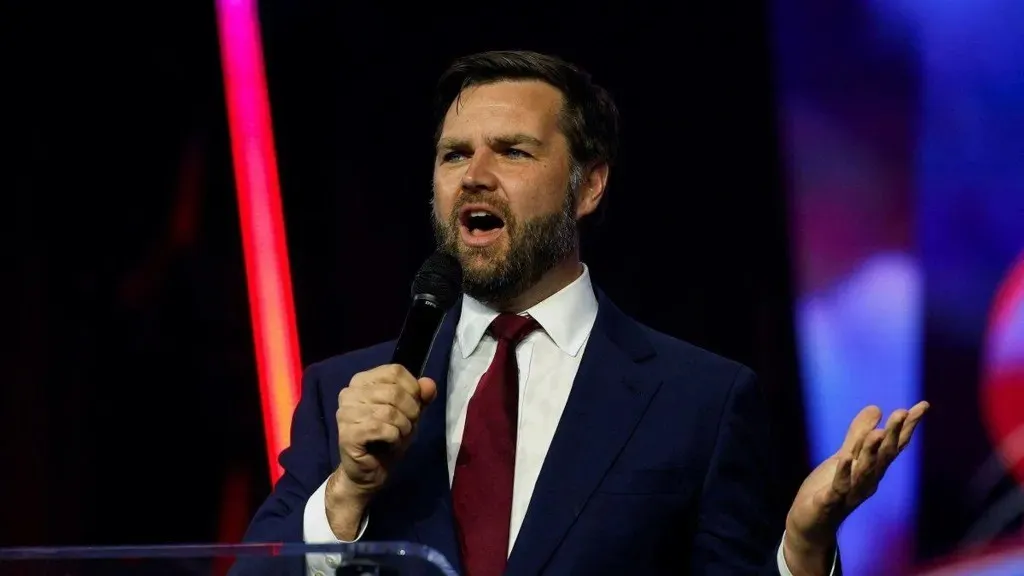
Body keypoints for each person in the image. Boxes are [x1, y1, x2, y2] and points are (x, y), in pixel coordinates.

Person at [239, 50, 929, 575]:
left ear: (589, 185)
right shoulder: (342, 397)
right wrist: (346, 494)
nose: (474, 175)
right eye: (454, 155)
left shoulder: (700, 401)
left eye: (513, 151)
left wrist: (802, 549)